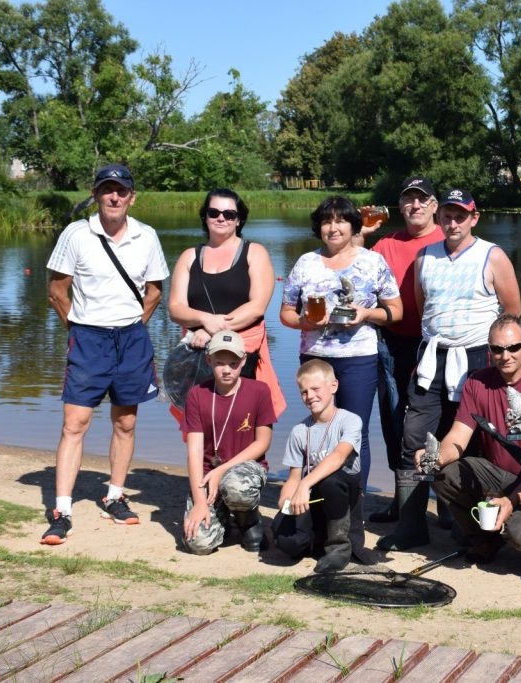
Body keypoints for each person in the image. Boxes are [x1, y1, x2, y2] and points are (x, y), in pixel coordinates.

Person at [377, 189, 521, 551]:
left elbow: (512, 312)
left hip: (476, 359)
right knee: (414, 436)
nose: (453, 222)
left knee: (470, 440)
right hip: (433, 359)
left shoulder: (493, 256)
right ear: (438, 219)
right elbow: (425, 306)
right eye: (447, 216)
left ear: (474, 218)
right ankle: (411, 526)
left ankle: (466, 525)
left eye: (461, 216)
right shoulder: (426, 256)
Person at [41, 163, 169, 545]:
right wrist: (78, 330)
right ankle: (62, 509)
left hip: (131, 339)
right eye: (107, 189)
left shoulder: (147, 236)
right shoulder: (77, 234)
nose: (114, 197)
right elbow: (56, 292)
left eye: (121, 190)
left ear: (132, 196)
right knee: (74, 423)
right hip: (88, 340)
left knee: (125, 423)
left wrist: (133, 323)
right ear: (96, 194)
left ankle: (114, 496)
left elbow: (155, 292)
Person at [280, 195, 402, 497]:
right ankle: (319, 498)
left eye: (340, 220)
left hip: (358, 358)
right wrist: (304, 322)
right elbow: (285, 312)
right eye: (326, 221)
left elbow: (395, 311)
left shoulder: (372, 261)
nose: (333, 228)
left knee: (354, 431)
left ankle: (353, 504)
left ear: (353, 225)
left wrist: (366, 314)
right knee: (318, 428)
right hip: (315, 358)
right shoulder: (306, 263)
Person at [426, 315, 521, 564]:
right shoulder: (476, 383)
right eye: (497, 349)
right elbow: (457, 438)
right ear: (489, 350)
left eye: (513, 347)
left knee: (520, 537)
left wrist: (512, 501)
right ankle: (483, 539)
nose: (506, 356)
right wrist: (435, 457)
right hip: (497, 473)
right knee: (443, 474)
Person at [167, 188, 286, 422]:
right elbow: (175, 308)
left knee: (244, 427)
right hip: (198, 357)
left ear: (238, 219)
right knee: (200, 432)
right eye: (214, 212)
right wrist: (204, 321)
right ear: (205, 216)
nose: (221, 218)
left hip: (242, 357)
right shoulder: (189, 257)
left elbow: (257, 307)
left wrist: (212, 329)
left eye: (229, 214)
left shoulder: (255, 253)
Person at [367, 177, 444, 523]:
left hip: (437, 345)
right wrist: (363, 230)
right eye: (408, 200)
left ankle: (447, 504)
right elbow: (354, 271)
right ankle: (401, 501)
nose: (415, 205)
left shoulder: (449, 239)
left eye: (422, 200)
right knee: (394, 418)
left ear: (434, 206)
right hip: (393, 343)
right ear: (400, 207)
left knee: (441, 421)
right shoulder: (385, 244)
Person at [181, 331, 276, 554]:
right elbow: (194, 452)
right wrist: (199, 503)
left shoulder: (259, 391)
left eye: (233, 363)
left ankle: (248, 521)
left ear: (243, 361)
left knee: (235, 485)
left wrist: (221, 471)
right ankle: (222, 518)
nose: (226, 370)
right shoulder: (196, 394)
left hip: (245, 469)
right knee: (199, 544)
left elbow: (263, 443)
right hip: (207, 474)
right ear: (208, 361)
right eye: (220, 363)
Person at [274, 360, 365, 573]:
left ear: (333, 387)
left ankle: (339, 547)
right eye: (304, 392)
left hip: (344, 493)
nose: (310, 396)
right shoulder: (299, 430)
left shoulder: (350, 420)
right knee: (286, 542)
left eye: (316, 389)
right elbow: (294, 476)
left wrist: (305, 485)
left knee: (331, 480)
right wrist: (285, 501)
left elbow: (339, 456)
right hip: (314, 495)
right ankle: (315, 538)